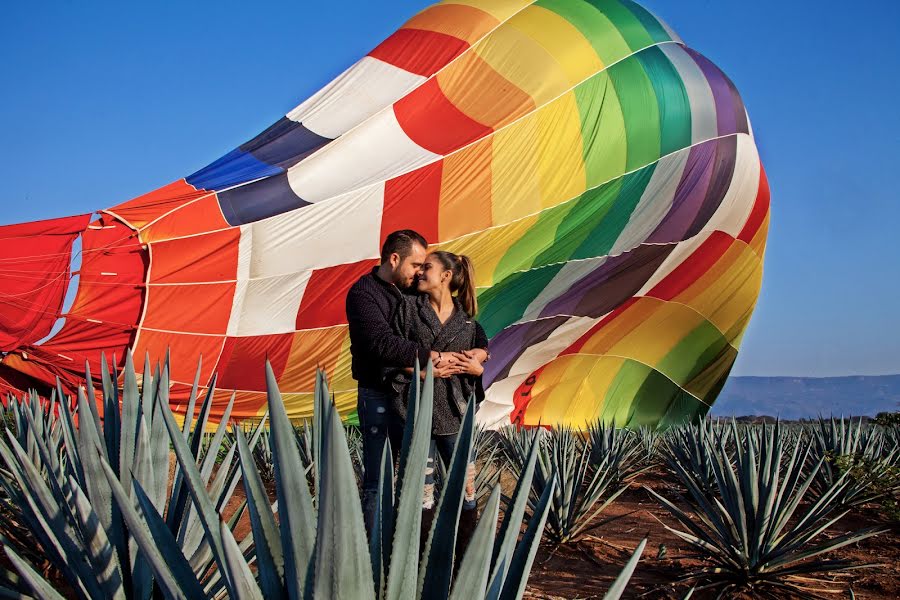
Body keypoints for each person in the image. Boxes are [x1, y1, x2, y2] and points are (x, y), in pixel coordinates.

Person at [385, 250, 489, 552]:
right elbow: (392, 354)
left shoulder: (467, 324)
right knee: (421, 492)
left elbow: (481, 350)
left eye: (426, 268)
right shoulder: (407, 309)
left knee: (466, 488)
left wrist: (479, 363)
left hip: (454, 414)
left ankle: (463, 557)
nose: (419, 272)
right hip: (415, 412)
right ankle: (419, 556)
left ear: (445, 276)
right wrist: (421, 371)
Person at [346, 229, 447, 531]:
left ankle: (410, 543)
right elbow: (379, 343)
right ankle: (371, 549)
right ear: (394, 258)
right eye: (416, 265)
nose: (420, 272)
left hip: (414, 393)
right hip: (378, 394)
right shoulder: (363, 294)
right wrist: (433, 356)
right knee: (377, 478)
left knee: (422, 476)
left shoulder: (414, 292)